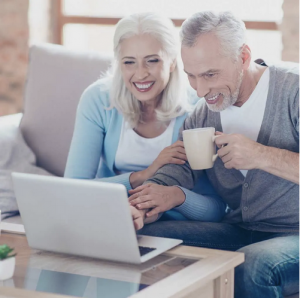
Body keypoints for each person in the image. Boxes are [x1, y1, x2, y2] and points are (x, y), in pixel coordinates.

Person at [129, 11, 299, 298]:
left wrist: (260, 155)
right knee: (144, 242)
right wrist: (143, 203)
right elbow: (178, 167)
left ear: (243, 57)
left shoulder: (293, 91)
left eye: (210, 74)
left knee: (253, 265)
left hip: (294, 234)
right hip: (239, 231)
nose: (201, 90)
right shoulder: (202, 114)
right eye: (192, 76)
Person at [64, 12, 226, 229]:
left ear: (171, 62)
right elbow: (72, 190)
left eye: (152, 60)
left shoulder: (198, 109)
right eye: (129, 62)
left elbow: (217, 208)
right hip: (109, 212)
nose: (140, 74)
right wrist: (144, 175)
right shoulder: (98, 100)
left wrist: (174, 197)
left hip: (176, 225)